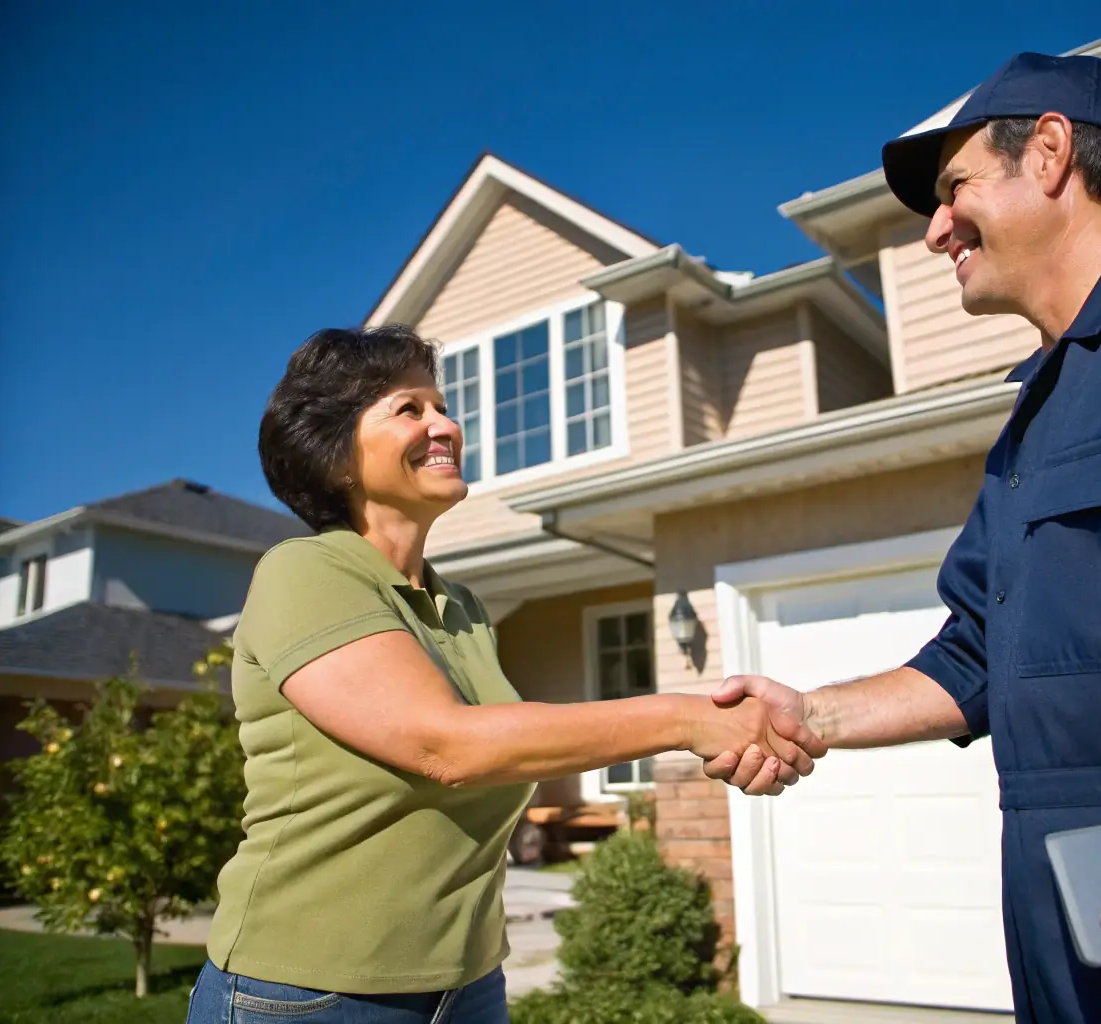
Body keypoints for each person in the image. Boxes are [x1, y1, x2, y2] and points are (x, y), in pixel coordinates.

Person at [706, 52, 1101, 1023]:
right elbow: (975, 654)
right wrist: (812, 713)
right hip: (1077, 950)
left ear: (1050, 152)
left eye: (955, 188)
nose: (934, 231)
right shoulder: (1035, 420)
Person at [185, 325, 826, 1024]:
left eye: (443, 406)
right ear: (334, 455)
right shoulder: (305, 573)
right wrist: (689, 718)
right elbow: (448, 746)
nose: (446, 426)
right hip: (308, 992)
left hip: (466, 983)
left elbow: (503, 743)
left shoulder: (459, 608)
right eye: (410, 409)